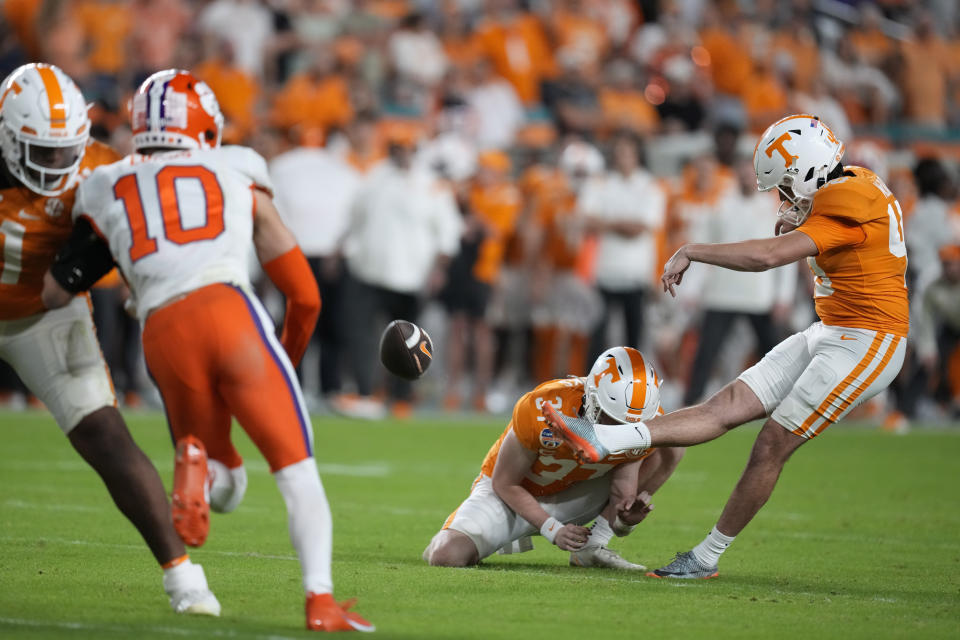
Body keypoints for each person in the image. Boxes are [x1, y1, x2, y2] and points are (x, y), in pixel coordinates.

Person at [40, 69, 373, 632]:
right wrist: (283, 362)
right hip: (229, 314)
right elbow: (306, 296)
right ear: (205, 127)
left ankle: (200, 471)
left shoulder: (106, 183)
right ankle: (320, 601)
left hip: (163, 333)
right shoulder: (236, 166)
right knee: (297, 475)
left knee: (227, 484)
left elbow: (54, 291)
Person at [542, 114, 908, 579]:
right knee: (724, 406)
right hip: (833, 329)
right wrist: (800, 217)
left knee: (772, 442)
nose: (786, 198)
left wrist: (693, 249)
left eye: (786, 186)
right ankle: (605, 440)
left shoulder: (848, 198)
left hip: (869, 339)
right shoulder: (855, 178)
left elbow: (767, 257)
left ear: (806, 172)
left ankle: (706, 557)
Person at [0, 62, 218, 615]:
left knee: (104, 434)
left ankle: (183, 579)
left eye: (65, 149)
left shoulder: (102, 168)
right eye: (42, 153)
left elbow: (143, 230)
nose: (57, 163)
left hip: (41, 316)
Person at [423, 347, 684, 569]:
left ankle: (592, 546)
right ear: (592, 398)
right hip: (513, 495)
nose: (621, 431)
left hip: (576, 493)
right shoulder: (543, 405)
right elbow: (505, 483)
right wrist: (552, 528)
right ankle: (500, 533)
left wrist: (624, 522)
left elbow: (621, 492)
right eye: (614, 420)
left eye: (630, 425)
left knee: (671, 444)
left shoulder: (641, 419)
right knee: (446, 555)